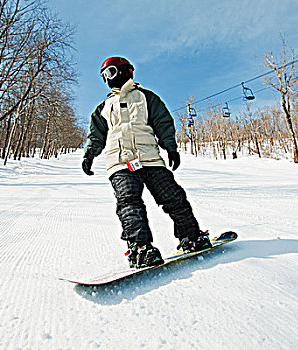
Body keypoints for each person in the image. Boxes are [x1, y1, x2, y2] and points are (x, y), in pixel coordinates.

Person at [82, 56, 211, 269]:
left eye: (110, 72)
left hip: (150, 158)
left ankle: (191, 236)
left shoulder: (146, 98)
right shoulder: (103, 108)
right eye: (104, 76)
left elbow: (163, 122)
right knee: (129, 203)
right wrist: (89, 155)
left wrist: (171, 147)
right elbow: (96, 135)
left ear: (126, 71)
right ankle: (140, 248)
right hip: (120, 162)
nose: (107, 79)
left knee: (174, 198)